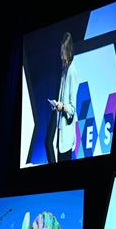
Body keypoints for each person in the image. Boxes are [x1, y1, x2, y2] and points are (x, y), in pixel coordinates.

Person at [52, 32, 78, 162]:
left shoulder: (72, 70)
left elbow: (73, 108)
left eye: (63, 52)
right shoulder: (64, 70)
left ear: (68, 51)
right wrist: (57, 105)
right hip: (61, 131)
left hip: (67, 135)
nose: (61, 56)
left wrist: (63, 107)